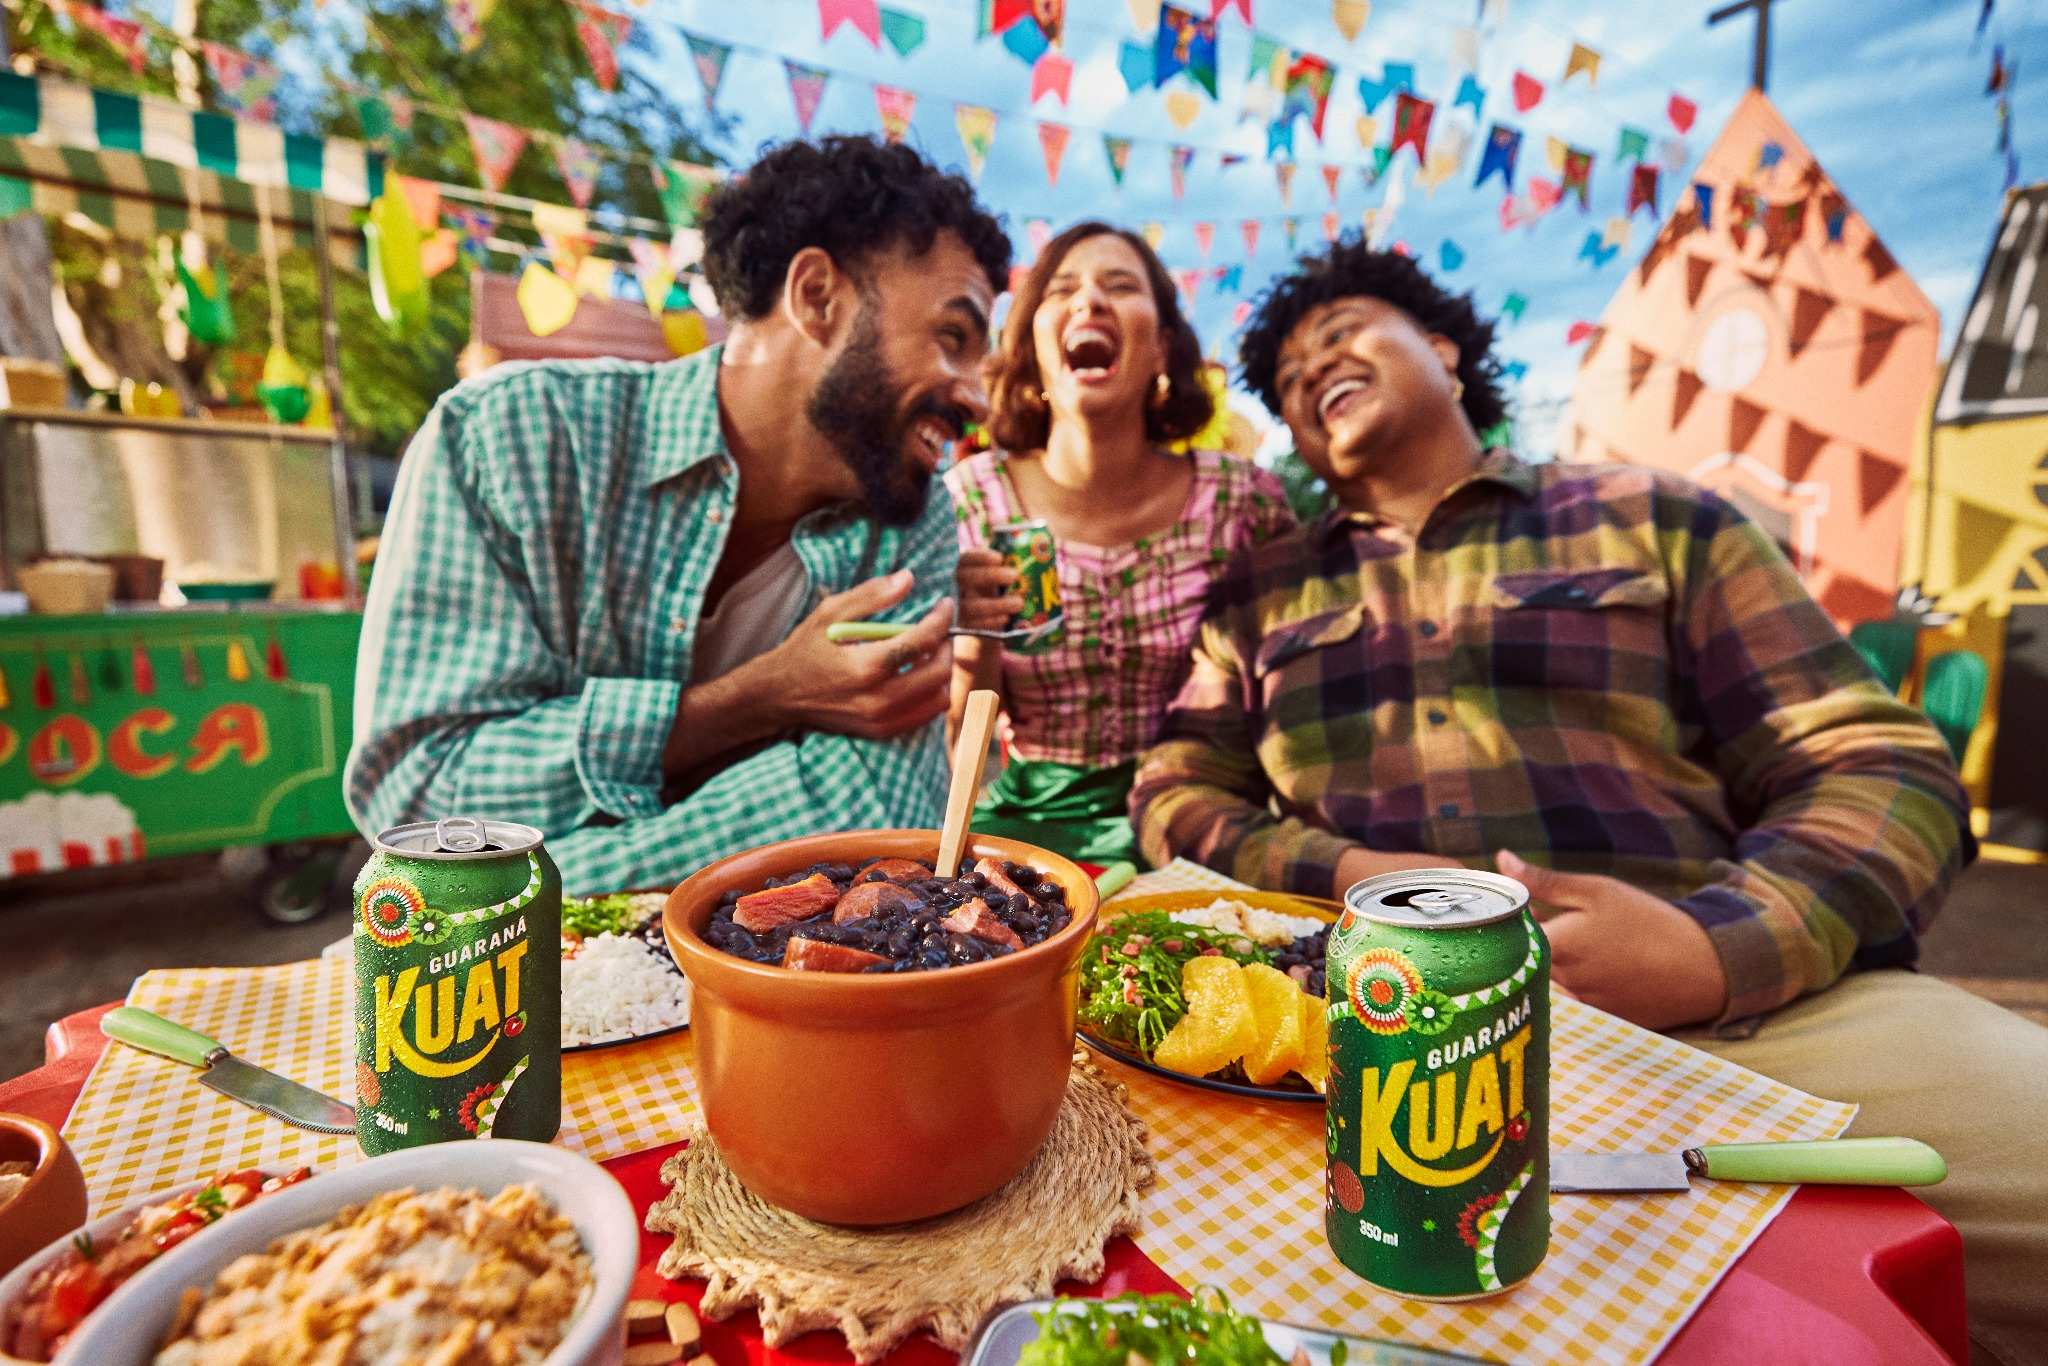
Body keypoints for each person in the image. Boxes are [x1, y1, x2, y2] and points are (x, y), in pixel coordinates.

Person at [1130, 240, 2048, 1364]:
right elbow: (1174, 789)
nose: (1309, 367)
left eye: (1344, 330)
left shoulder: (1658, 517)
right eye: (1284, 376)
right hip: (1353, 1040)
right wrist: (1350, 880)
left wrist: (1716, 945)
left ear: (1448, 351)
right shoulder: (1259, 596)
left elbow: (1874, 762)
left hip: (1745, 1014)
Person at [346, 136, 1010, 894]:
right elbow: (425, 797)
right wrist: (759, 698)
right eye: (953, 338)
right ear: (817, 295)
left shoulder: (909, 523)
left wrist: (520, 888)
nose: (977, 398)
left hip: (746, 988)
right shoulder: (512, 439)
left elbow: (875, 813)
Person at [946, 221, 1293, 866]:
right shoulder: (971, 498)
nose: (1089, 302)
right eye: (1063, 289)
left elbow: (1292, 690)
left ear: (1162, 348)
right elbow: (956, 738)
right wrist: (974, 633)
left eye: (1120, 284)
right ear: (1033, 348)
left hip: (1201, 817)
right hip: (1028, 829)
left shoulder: (1240, 501)